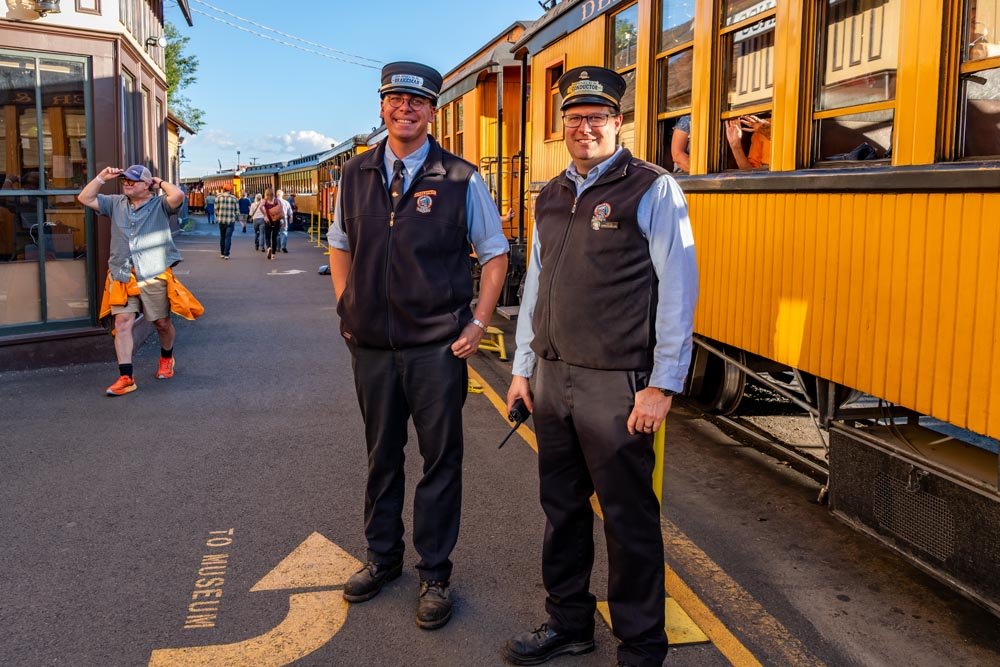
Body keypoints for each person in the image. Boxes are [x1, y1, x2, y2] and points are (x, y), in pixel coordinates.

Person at [502, 67, 698, 667]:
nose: (583, 128)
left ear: (618, 123)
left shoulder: (653, 188)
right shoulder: (551, 194)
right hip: (553, 380)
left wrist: (664, 383)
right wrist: (521, 368)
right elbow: (536, 282)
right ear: (564, 126)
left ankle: (641, 644)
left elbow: (679, 287)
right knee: (561, 512)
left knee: (628, 518)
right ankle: (569, 624)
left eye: (596, 118)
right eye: (573, 119)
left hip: (617, 384)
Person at [327, 61, 509, 631]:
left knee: (440, 461)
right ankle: (382, 559)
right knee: (381, 458)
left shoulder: (460, 177)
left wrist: (477, 325)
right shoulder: (355, 175)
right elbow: (339, 244)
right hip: (373, 348)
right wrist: (345, 304)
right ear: (382, 107)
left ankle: (435, 574)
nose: (406, 109)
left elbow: (495, 253)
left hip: (437, 347)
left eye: (417, 103)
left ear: (433, 111)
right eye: (396, 100)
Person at [77, 164, 192, 396]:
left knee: (161, 323)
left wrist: (159, 182)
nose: (127, 183)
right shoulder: (115, 203)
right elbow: (85, 197)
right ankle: (126, 377)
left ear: (147, 185)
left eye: (132, 180)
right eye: (125, 180)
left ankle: (167, 358)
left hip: (153, 274)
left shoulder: (160, 204)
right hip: (122, 274)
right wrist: (101, 177)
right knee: (122, 323)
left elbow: (178, 195)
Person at [215, 184, 239, 259]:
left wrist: (219, 216)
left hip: (221, 221)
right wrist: (235, 217)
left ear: (223, 189)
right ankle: (226, 254)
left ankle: (222, 253)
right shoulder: (234, 198)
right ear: (230, 190)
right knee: (228, 237)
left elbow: (216, 210)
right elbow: (237, 211)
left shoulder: (218, 198)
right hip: (230, 221)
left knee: (222, 236)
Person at [260, 188, 283, 260]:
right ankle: (273, 254)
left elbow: (260, 207)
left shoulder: (264, 201)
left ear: (266, 193)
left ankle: (269, 247)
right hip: (276, 220)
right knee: (274, 237)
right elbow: (280, 209)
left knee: (267, 236)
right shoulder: (277, 200)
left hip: (268, 220)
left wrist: (265, 215)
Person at [276, 189, 293, 253]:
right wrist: (291, 218)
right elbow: (290, 212)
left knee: (276, 233)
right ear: (282, 195)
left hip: (276, 220)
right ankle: (283, 247)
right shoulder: (286, 202)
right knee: (284, 232)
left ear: (277, 194)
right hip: (284, 219)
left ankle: (278, 247)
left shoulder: (273, 202)